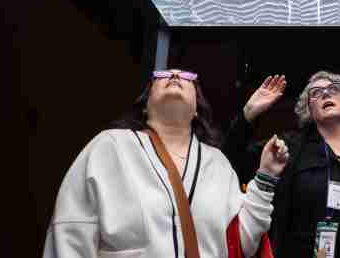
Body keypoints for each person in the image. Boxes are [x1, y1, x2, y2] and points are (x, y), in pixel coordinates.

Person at [44, 68, 289, 258]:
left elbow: (241, 243)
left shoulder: (218, 163)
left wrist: (266, 176)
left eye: (187, 76)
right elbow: (71, 232)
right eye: (162, 75)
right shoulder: (110, 147)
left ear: (196, 108)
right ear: (145, 104)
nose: (174, 75)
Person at [224, 72, 340, 258]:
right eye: (316, 92)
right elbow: (227, 162)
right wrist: (248, 114)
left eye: (333, 89)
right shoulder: (287, 148)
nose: (326, 93)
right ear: (309, 110)